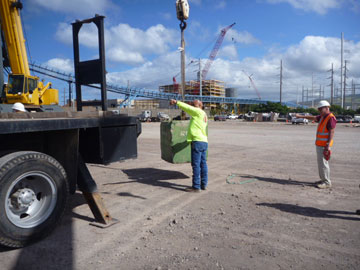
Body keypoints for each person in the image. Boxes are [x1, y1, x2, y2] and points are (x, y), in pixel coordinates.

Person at [295, 100, 336, 189]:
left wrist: (328, 145)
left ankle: (327, 182)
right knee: (321, 163)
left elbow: (332, 131)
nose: (320, 111)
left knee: (324, 164)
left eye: (321, 109)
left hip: (325, 145)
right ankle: (323, 179)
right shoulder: (322, 117)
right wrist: (300, 116)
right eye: (319, 109)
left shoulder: (330, 118)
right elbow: (313, 118)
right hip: (319, 144)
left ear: (327, 108)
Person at [170, 99, 208, 192]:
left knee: (196, 165)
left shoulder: (197, 111)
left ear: (198, 105)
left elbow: (187, 108)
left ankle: (196, 187)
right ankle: (204, 184)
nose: (192, 104)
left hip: (197, 141)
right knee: (203, 164)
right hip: (204, 141)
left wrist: (176, 102)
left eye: (193, 103)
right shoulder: (203, 114)